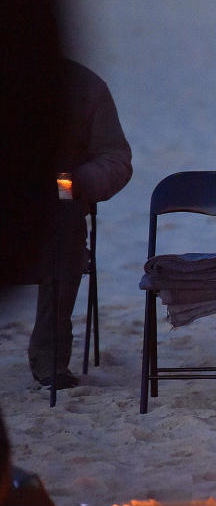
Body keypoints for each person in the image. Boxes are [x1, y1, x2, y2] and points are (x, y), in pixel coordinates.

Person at [28, 58, 132, 389]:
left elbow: (116, 161)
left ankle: (49, 357)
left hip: (54, 210)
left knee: (66, 224)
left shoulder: (85, 87)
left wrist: (67, 183)